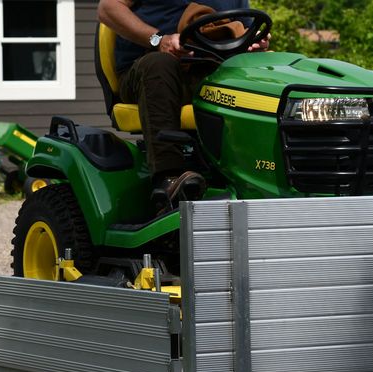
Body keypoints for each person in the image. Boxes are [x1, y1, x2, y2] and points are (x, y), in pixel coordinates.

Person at [97, 0, 269, 213]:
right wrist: (158, 39)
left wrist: (254, 44)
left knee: (264, 75)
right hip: (148, 68)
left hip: (211, 69)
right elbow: (107, 9)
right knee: (160, 63)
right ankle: (169, 179)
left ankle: (263, 176)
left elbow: (245, 30)